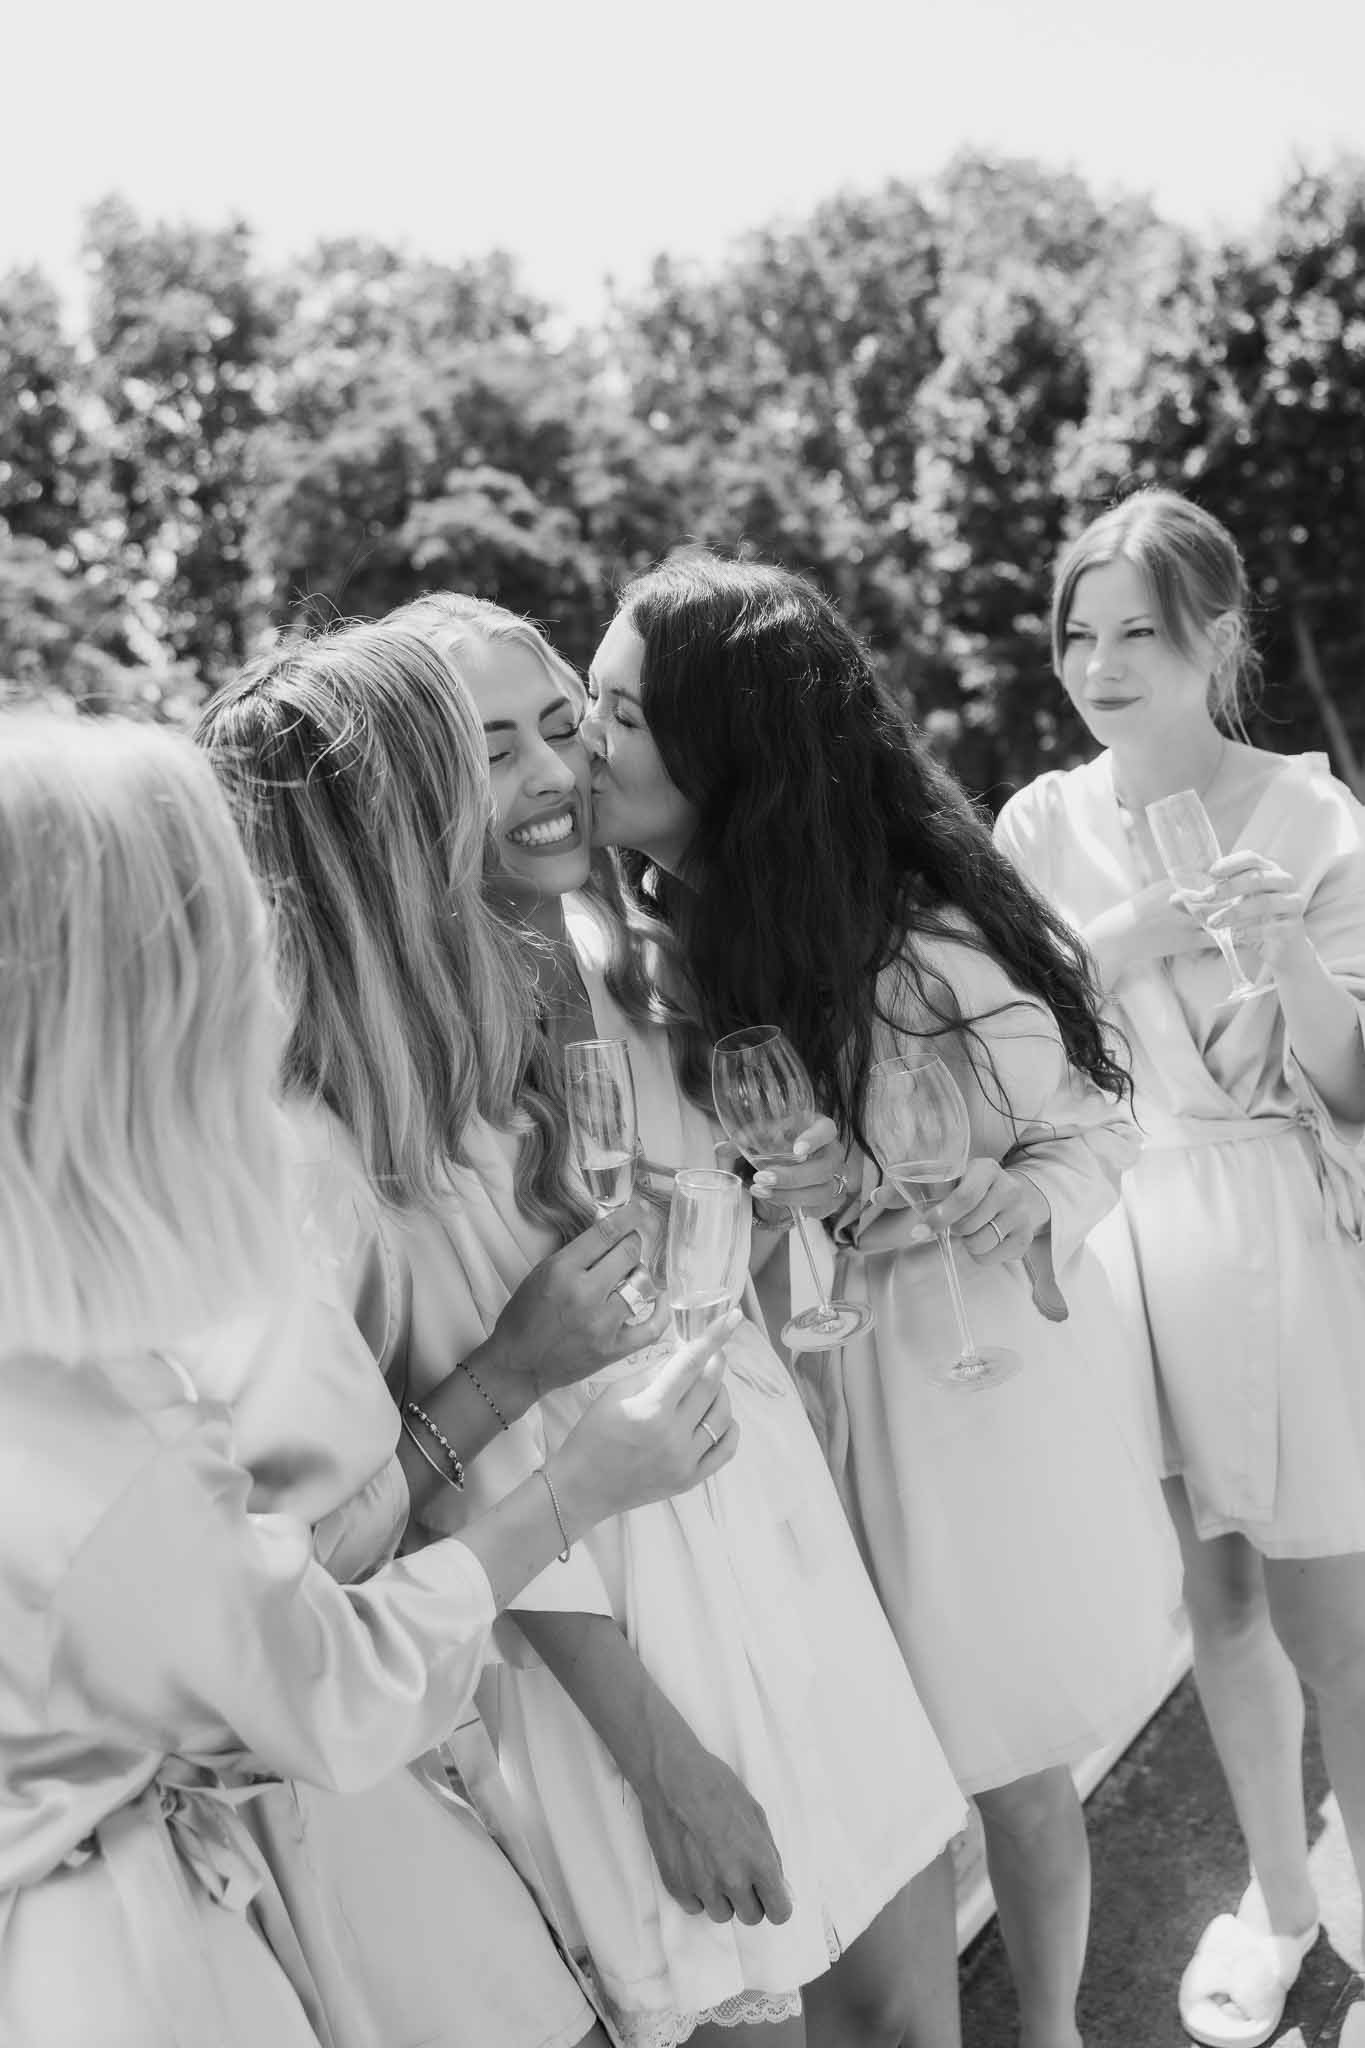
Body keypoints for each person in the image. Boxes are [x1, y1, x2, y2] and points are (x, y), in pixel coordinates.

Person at [202, 606, 969, 2048]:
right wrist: (659, 1756)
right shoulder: (353, 1128)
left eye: (561, 724)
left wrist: (788, 1191)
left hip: (756, 1525)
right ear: (401, 817)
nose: (546, 772)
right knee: (749, 2003)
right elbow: (416, 1493)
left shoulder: (621, 960)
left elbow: (709, 1280)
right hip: (602, 1622)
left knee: (906, 2005)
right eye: (479, 752)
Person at [0, 709, 739, 2048]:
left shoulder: (83, 1317)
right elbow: (318, 1679)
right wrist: (570, 1480)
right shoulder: (91, 1427)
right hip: (160, 1945)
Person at [584, 552, 1184, 2048]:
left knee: (1004, 1760)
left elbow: (1091, 1122)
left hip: (958, 1386)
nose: (589, 746)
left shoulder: (915, 935)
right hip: (795, 1412)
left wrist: (1017, 1200)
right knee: (878, 1767)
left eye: (621, 715)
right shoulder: (650, 945)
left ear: (728, 745)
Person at [995, 486, 1365, 2048]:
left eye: (1137, 630)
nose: (1100, 662)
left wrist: (1280, 945)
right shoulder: (1033, 826)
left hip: (1279, 1230)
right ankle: (1285, 1905)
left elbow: (1347, 1083)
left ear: (1218, 637)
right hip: (1124, 1233)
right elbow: (1017, 1034)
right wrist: (1143, 923)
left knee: (1335, 1626)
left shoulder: (1315, 815)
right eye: (1077, 632)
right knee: (1210, 1604)